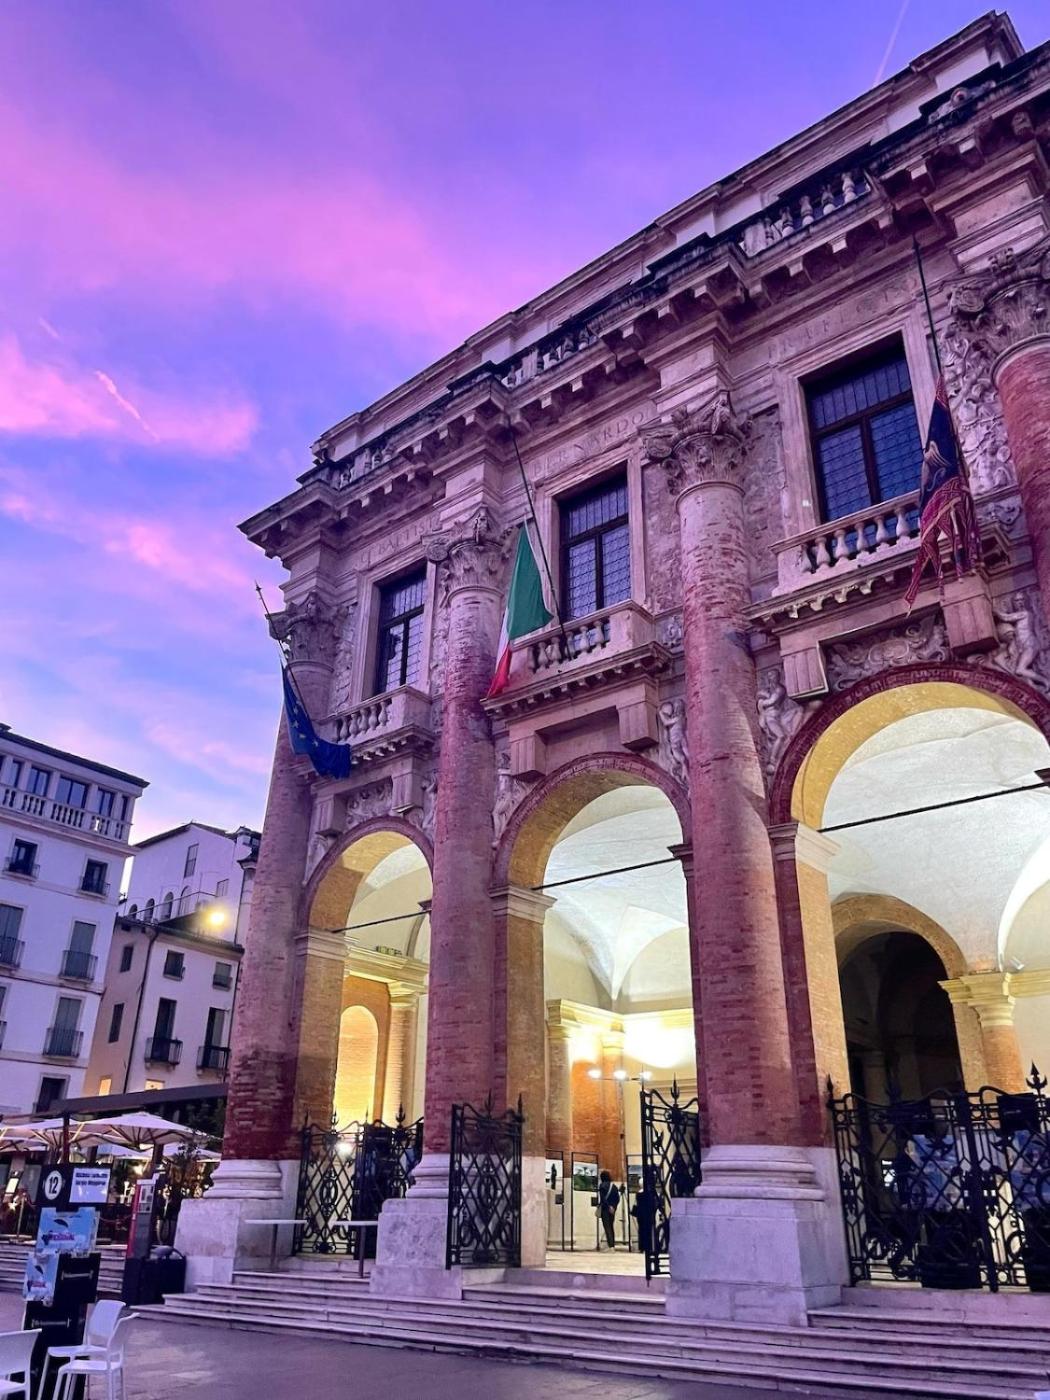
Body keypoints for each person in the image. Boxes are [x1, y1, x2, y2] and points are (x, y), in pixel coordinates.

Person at [597, 1170, 620, 1249]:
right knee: (611, 1226)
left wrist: (608, 1206)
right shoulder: (614, 1186)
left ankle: (611, 1246)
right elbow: (617, 1198)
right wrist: (613, 1207)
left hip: (605, 1209)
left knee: (607, 1227)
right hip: (612, 1210)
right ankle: (612, 1244)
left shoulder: (602, 1186)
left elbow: (603, 1198)